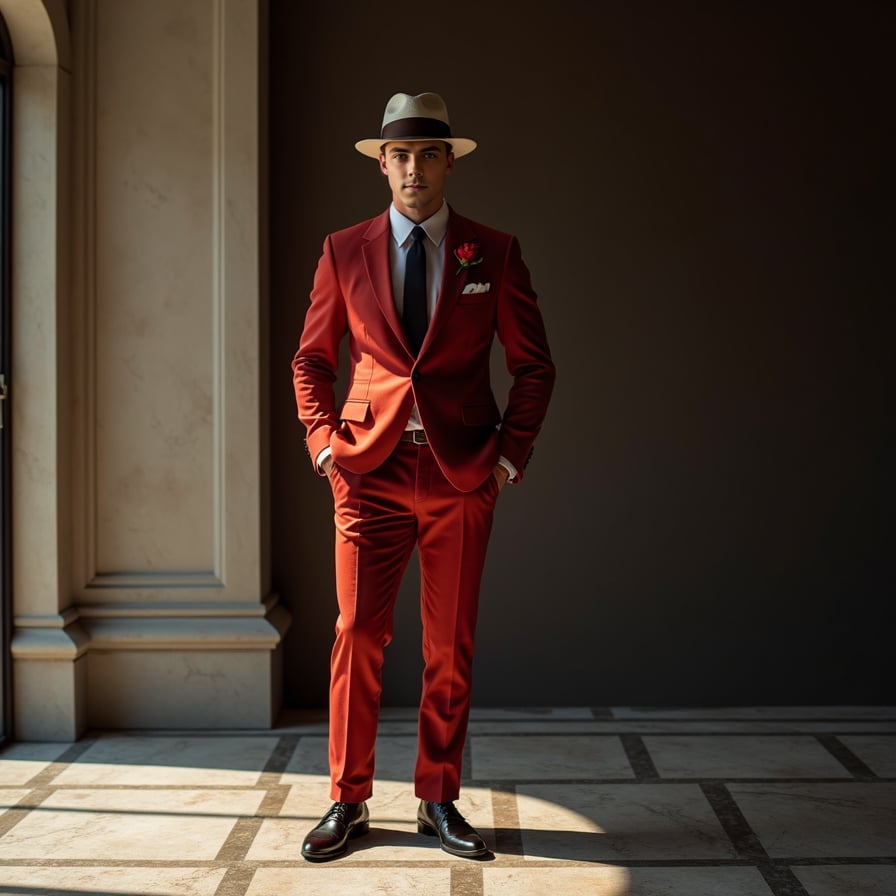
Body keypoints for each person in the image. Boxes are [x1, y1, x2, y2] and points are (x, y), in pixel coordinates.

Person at [292, 91, 555, 861]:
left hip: (460, 473)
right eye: (398, 155)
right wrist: (322, 445)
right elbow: (313, 358)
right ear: (383, 164)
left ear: (449, 162)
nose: (412, 168)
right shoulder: (344, 250)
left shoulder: (492, 252)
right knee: (356, 635)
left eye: (427, 154)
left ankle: (438, 799)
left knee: (449, 644)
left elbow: (533, 365)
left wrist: (507, 459)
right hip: (366, 472)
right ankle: (348, 799)